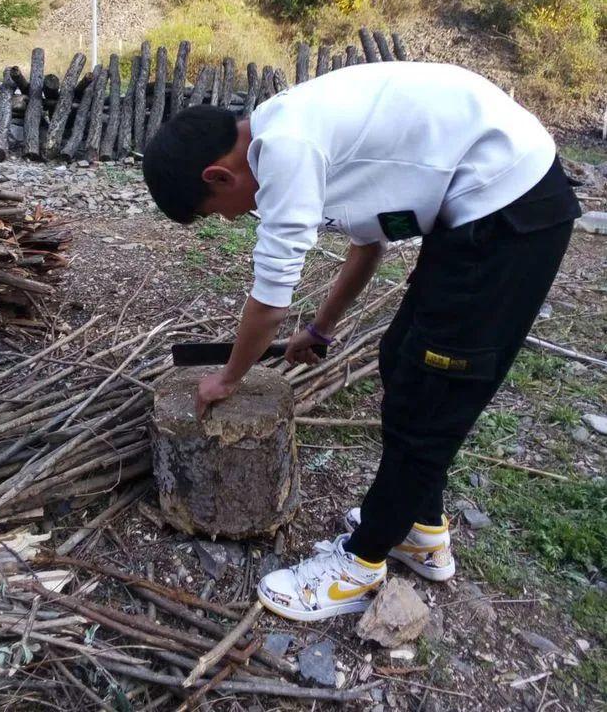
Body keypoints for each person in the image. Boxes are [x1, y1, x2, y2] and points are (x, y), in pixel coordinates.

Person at [143, 62, 580, 623]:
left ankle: (361, 562)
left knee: (433, 399)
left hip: (509, 212)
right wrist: (320, 330)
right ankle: (419, 532)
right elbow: (368, 244)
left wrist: (228, 378)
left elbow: (271, 297)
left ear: (218, 177)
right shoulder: (298, 134)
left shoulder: (287, 148)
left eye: (213, 215)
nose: (228, 220)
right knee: (401, 360)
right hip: (481, 205)